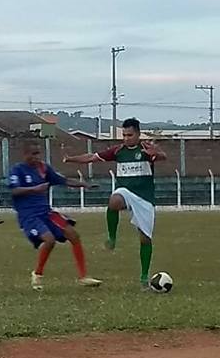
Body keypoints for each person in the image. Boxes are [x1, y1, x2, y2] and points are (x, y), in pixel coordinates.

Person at [63, 118, 166, 287]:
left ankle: (144, 276)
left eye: (129, 135)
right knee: (114, 200)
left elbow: (162, 157)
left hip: (144, 198)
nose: (126, 138)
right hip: (125, 191)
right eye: (124, 135)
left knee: (145, 239)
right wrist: (70, 159)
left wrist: (157, 153)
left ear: (138, 134)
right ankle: (112, 237)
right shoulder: (118, 151)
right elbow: (92, 157)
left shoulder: (145, 149)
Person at [9, 140, 102, 290]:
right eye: (33, 154)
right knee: (49, 240)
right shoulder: (17, 170)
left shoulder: (43, 168)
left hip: (46, 212)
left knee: (73, 235)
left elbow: (63, 180)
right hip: (29, 215)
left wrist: (84, 185)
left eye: (38, 153)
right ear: (25, 154)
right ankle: (37, 274)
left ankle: (83, 277)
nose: (37, 157)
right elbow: (14, 191)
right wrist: (35, 189)